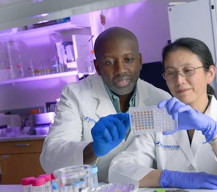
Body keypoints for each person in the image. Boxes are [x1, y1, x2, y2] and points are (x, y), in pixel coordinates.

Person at [109, 38, 217, 189]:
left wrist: (214, 133)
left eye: (188, 71)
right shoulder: (159, 119)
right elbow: (117, 170)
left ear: (210, 73)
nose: (179, 80)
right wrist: (170, 177)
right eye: (171, 73)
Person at [40, 27, 171, 182]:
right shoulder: (76, 95)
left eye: (128, 59)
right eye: (109, 62)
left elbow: (169, 155)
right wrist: (93, 149)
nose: (120, 70)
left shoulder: (161, 100)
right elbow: (50, 158)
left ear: (140, 61)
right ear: (98, 67)